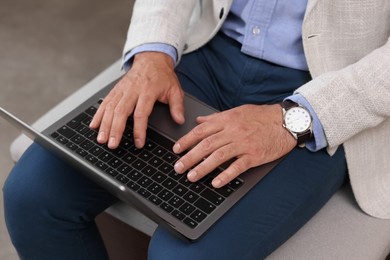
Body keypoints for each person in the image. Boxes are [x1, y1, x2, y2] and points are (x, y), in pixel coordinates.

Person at [3, 0, 390, 259]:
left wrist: (290, 120)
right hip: (207, 54)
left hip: (329, 86)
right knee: (32, 198)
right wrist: (152, 53)